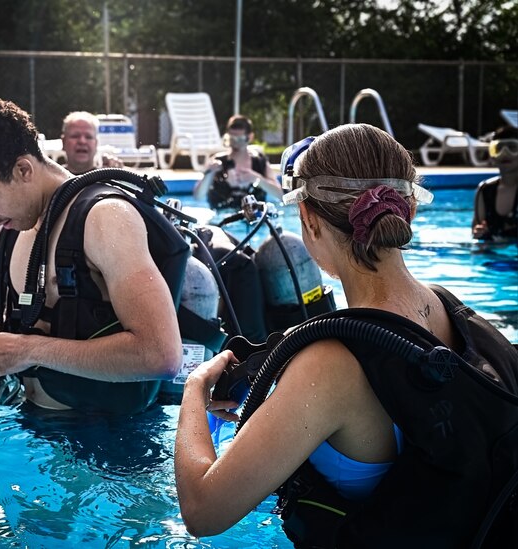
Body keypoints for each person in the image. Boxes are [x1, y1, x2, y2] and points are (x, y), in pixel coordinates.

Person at [175, 124, 518, 546]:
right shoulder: (452, 308)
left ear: (309, 220)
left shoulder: (332, 363)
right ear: (408, 208)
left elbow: (202, 511)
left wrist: (195, 388)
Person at [0, 97, 183, 415]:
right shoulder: (24, 224)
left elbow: (161, 356)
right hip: (40, 428)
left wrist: (28, 350)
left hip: (108, 448)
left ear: (23, 169)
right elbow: (40, 332)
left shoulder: (103, 219)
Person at [192, 115, 282, 208]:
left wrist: (257, 179)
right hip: (221, 217)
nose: (235, 143)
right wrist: (209, 173)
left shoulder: (259, 161)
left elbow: (280, 195)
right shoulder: (217, 162)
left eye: (240, 139)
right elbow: (198, 196)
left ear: (250, 137)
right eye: (231, 138)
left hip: (253, 219)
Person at [472, 125, 518, 241]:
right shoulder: (485, 190)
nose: (505, 153)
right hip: (493, 255)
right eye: (499, 148)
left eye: (512, 148)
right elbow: (475, 233)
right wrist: (479, 232)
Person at [61, 111, 123, 175]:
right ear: (63, 142)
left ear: (96, 144)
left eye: (88, 137)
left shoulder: (107, 177)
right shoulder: (53, 179)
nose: (82, 141)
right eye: (75, 136)